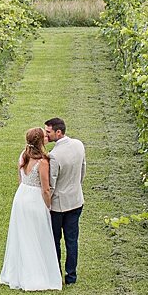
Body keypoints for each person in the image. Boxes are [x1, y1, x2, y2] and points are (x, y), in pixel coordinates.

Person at [0, 126, 63, 291]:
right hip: (34, 198)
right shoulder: (42, 162)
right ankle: (35, 275)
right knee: (37, 235)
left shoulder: (23, 155)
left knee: (23, 235)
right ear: (41, 141)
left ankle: (17, 273)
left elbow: (20, 179)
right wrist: (48, 205)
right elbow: (45, 188)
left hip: (21, 196)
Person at [45, 117, 86, 285]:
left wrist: (47, 202)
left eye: (48, 132)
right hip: (76, 200)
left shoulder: (54, 156)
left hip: (59, 205)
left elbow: (52, 183)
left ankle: (56, 274)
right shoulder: (79, 144)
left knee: (55, 240)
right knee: (72, 240)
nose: (46, 135)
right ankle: (71, 276)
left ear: (58, 132)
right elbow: (83, 169)